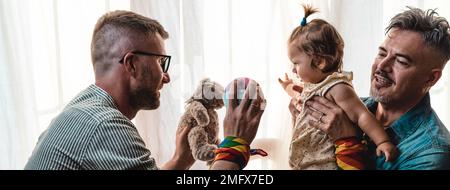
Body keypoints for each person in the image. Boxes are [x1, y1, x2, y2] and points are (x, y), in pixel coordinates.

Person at [24, 10, 264, 170]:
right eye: (161, 63)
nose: (167, 76)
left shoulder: (84, 108)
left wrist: (180, 160)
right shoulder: (104, 125)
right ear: (131, 64)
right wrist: (235, 143)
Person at [298, 7, 450, 170]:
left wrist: (347, 142)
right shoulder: (347, 108)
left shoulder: (431, 154)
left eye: (401, 61)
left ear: (430, 78)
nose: (382, 66)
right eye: (382, 53)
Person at [278, 4, 397, 170]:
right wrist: (288, 87)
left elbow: (362, 115)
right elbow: (299, 94)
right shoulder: (313, 84)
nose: (292, 69)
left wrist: (383, 141)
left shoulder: (337, 88)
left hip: (325, 163)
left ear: (319, 62)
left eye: (296, 63)